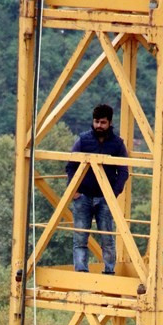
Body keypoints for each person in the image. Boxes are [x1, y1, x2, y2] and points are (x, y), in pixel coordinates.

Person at [66, 104, 129, 274]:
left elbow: (123, 171)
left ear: (109, 123)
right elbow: (71, 166)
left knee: (107, 238)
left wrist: (113, 194)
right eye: (96, 122)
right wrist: (75, 192)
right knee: (80, 237)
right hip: (83, 196)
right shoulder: (83, 140)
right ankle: (80, 271)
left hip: (104, 198)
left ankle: (109, 271)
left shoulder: (117, 144)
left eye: (102, 122)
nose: (99, 126)